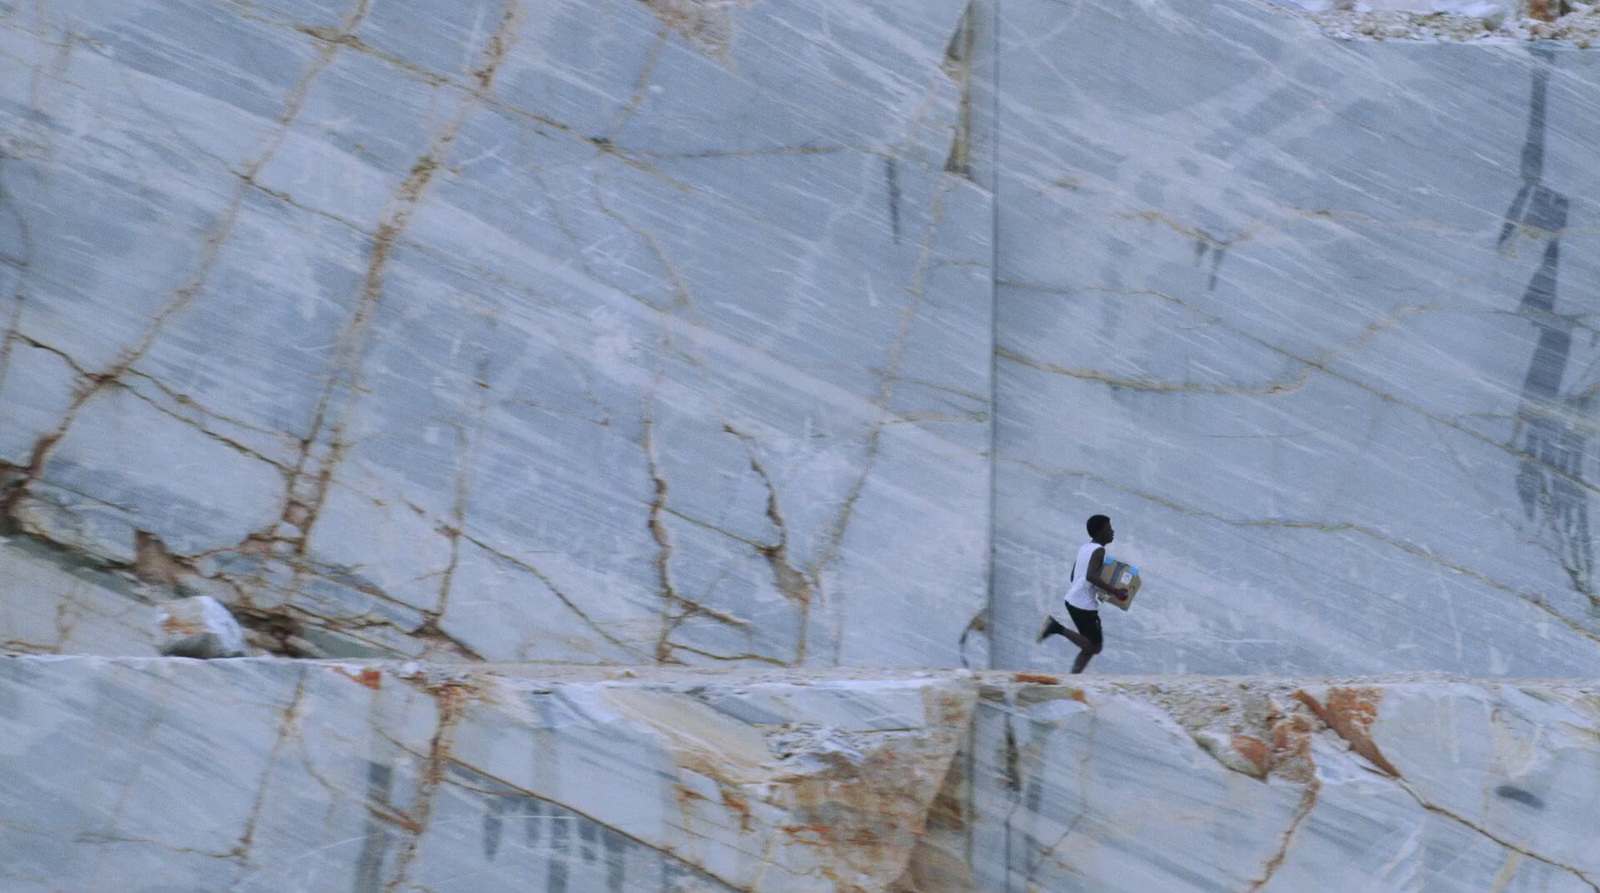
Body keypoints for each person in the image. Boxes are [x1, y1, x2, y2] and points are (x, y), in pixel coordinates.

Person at [1038, 514, 1127, 673]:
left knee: (1091, 646)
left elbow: (1074, 576)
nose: (1112, 532)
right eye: (1109, 529)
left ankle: (1074, 677)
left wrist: (1096, 590)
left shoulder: (1084, 548)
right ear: (1100, 532)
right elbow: (1091, 576)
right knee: (1093, 646)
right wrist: (1114, 591)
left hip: (1075, 600)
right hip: (1083, 605)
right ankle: (1055, 627)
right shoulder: (1099, 551)